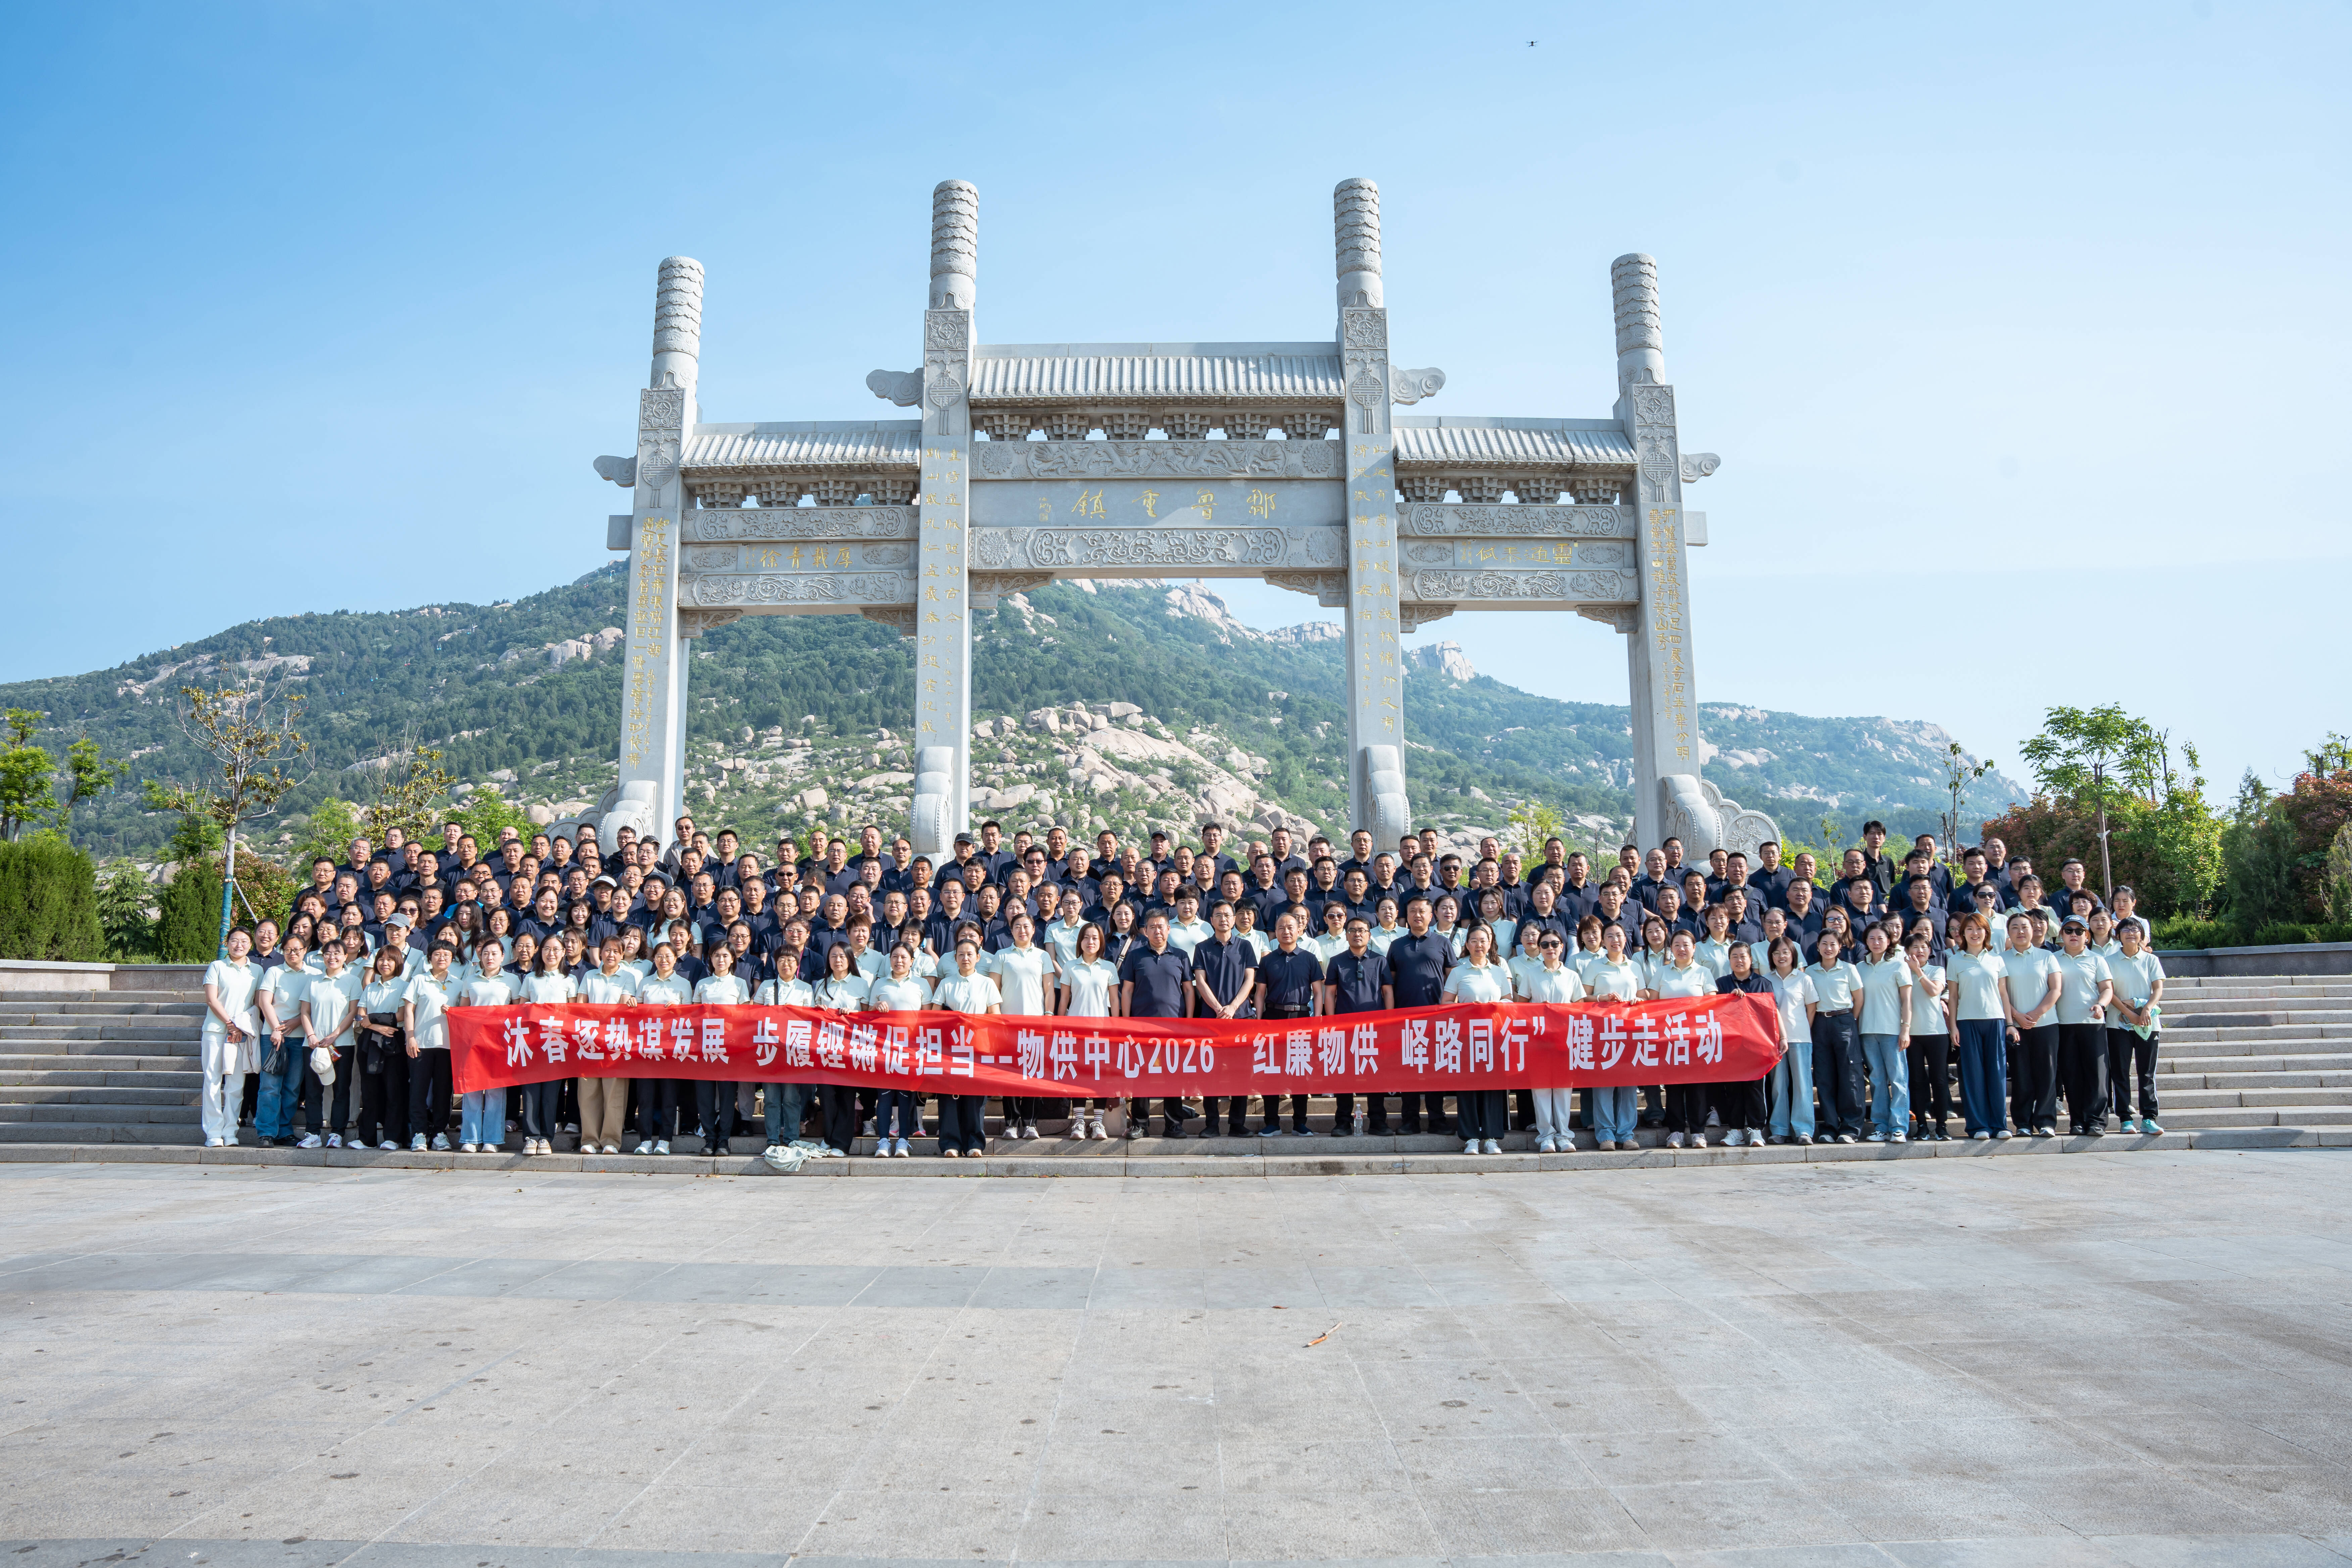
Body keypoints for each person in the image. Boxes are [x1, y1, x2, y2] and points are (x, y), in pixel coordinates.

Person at [1118, 910, 1196, 1138]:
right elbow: (1127, 991)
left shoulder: (1181, 956)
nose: (1157, 931)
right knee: (1142, 1076)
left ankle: (1174, 1125)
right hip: (1142, 1027)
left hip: (1174, 1027)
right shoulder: (1136, 956)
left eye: (1161, 926)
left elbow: (1189, 991)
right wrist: (1127, 1022)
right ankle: (1140, 1125)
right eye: (1152, 927)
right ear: (1145, 931)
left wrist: (1189, 1022)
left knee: (1173, 1076)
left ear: (1169, 929)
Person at [1643, 928, 1718, 1148]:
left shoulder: (1703, 973)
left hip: (1697, 1040)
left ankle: (1698, 1133)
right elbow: (1653, 1006)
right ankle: (1675, 1132)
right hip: (1670, 1040)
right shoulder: (1662, 973)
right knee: (1674, 1088)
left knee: (1697, 1089)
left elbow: (1713, 1005)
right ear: (1671, 949)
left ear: (1694, 948)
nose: (1681, 949)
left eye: (1686, 945)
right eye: (1677, 945)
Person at [1442, 924, 1513, 1154]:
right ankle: (1471, 1137)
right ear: (1467, 945)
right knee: (1468, 1088)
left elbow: (1509, 1002)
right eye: (1474, 941)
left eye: (1483, 941)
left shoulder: (1499, 971)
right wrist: (1465, 1009)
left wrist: (1496, 1006)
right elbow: (1446, 1003)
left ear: (1490, 944)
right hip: (1466, 1039)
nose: (1479, 945)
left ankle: (1491, 1137)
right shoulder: (1458, 972)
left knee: (1493, 1088)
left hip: (1494, 1038)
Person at [1190, 901, 1259, 1137]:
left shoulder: (1245, 946)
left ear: (1235, 919)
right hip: (1212, 1020)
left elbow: (1250, 980)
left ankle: (1237, 1124)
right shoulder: (1202, 948)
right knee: (1211, 1072)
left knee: (1241, 1072)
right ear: (1211, 920)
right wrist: (1220, 1009)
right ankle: (1212, 1124)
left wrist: (1233, 1007)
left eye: (1228, 915)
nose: (1223, 919)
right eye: (1218, 915)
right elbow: (1200, 981)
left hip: (1241, 1018)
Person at [1253, 911, 1323, 1137]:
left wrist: (1317, 1020)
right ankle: (1272, 1123)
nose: (1286, 931)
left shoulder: (1309, 958)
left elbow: (1318, 992)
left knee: (1300, 1072)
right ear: (1275, 932)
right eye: (1281, 928)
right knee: (1271, 1072)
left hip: (1301, 1017)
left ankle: (1300, 1123)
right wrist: (1260, 1022)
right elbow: (1260, 994)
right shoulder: (1267, 960)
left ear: (1300, 930)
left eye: (1291, 927)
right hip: (1273, 1018)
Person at [989, 911, 1059, 1138]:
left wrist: (1049, 1016)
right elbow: (994, 990)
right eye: (1017, 926)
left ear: (1034, 930)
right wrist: (997, 1020)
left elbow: (1049, 990)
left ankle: (1030, 1124)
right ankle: (1011, 1123)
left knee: (1033, 1074)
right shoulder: (1002, 956)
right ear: (1011, 931)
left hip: (1036, 1023)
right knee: (1009, 1075)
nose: (1022, 930)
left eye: (1026, 926)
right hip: (1007, 1025)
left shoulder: (1042, 956)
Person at [931, 939, 1001, 1157]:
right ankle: (951, 1144)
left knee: (975, 1098)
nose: (966, 958)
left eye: (970, 954)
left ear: (978, 957)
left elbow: (996, 1017)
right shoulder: (946, 984)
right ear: (955, 958)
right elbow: (934, 1016)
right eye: (961, 954)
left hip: (978, 1049)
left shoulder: (987, 983)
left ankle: (974, 1144)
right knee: (949, 1097)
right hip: (950, 1049)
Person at [1322, 916, 1391, 1137]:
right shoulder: (1337, 961)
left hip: (1375, 1029)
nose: (1357, 934)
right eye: (1352, 930)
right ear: (1346, 935)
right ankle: (1343, 1122)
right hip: (1345, 1028)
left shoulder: (1380, 961)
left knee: (1375, 1075)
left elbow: (1387, 992)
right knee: (1344, 1076)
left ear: (1369, 936)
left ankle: (1378, 1121)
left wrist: (1389, 1022)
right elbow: (1330, 993)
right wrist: (1332, 1022)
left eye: (1362, 931)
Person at [451, 936, 521, 1153]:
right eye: (486, 954)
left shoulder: (512, 980)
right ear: (480, 956)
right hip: (473, 1043)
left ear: (503, 956)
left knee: (495, 1092)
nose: (490, 957)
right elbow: (463, 1011)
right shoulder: (470, 980)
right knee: (472, 1090)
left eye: (495, 954)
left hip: (500, 1044)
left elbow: (518, 1012)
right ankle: (470, 1138)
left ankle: (493, 1139)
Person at [1517, 928, 1584, 1153]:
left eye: (1554, 944)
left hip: (1565, 1040)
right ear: (1539, 948)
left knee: (1564, 1090)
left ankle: (1564, 1135)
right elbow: (1521, 1007)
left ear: (1562, 947)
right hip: (1539, 1040)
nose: (1550, 949)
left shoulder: (1572, 976)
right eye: (1545, 945)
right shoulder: (1531, 975)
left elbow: (1580, 1008)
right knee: (1542, 1090)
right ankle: (1546, 1136)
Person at [510, 938, 577, 1155]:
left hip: (556, 1043)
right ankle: (531, 1137)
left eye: (556, 949)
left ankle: (546, 1138)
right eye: (547, 949)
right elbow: (520, 1011)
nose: (551, 953)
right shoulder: (531, 979)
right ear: (540, 952)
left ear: (564, 952)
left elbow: (575, 1014)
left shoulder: (570, 980)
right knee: (530, 1093)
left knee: (551, 1095)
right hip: (532, 1043)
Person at [2001, 912, 2065, 1138]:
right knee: (2021, 1076)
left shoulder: (2047, 957)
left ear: (2033, 930)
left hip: (2046, 1025)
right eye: (2015, 927)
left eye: (2025, 927)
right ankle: (2023, 1123)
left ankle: (2046, 1121)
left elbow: (2056, 989)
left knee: (2047, 1075)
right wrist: (2017, 1016)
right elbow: (2001, 993)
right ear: (2009, 933)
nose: (2021, 931)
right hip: (2016, 1027)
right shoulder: (2001, 959)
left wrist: (2037, 1014)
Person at [1056, 922, 1121, 1141]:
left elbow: (1114, 1000)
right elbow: (1064, 1000)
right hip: (1076, 1032)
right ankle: (1079, 1121)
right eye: (1086, 937)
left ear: (1101, 942)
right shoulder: (1070, 967)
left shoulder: (1108, 967)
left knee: (1100, 1076)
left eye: (1095, 938)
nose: (1090, 942)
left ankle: (1098, 1122)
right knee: (1078, 1075)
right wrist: (1060, 1027)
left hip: (1102, 1032)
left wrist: (1116, 1027)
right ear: (1080, 942)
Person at [1583, 922, 1645, 1151]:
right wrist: (1602, 998)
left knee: (1628, 1086)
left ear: (1626, 939)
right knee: (1604, 1085)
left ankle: (1627, 1134)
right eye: (1609, 936)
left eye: (1619, 935)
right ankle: (1606, 1135)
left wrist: (1639, 1000)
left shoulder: (1634, 966)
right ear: (1603, 941)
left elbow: (1644, 995)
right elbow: (1583, 997)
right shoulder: (1594, 966)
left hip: (1630, 1032)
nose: (1615, 940)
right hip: (1602, 1032)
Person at [575, 937, 639, 1155]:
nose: (611, 955)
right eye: (607, 951)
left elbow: (622, 1006)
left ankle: (611, 1140)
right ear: (600, 953)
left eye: (616, 952)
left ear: (622, 955)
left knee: (615, 1092)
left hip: (615, 1041)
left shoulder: (628, 977)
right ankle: (590, 1140)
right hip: (590, 1040)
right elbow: (581, 1005)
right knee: (588, 1092)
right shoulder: (589, 976)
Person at [864, 945, 929, 1156]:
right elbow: (867, 1015)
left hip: (910, 1049)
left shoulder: (921, 984)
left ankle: (903, 1141)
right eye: (895, 957)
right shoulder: (880, 984)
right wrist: (876, 1007)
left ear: (912, 961)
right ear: (889, 960)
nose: (899, 961)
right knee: (884, 1096)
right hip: (884, 1048)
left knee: (905, 1096)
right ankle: (883, 1142)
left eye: (904, 957)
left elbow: (929, 1018)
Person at [2053, 916, 2115, 1137]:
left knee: (2097, 1075)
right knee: (2071, 1074)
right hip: (2063, 1024)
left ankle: (2097, 1121)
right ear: (2062, 935)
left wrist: (2101, 1005)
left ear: (2087, 936)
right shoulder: (2053, 959)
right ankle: (2077, 1121)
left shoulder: (2097, 960)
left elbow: (2107, 989)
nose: (2074, 935)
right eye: (2069, 930)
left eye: (2079, 931)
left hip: (2092, 1024)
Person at [253, 933, 316, 1148]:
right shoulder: (274, 972)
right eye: (288, 950)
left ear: (305, 950)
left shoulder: (315, 974)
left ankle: (284, 1131)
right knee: (270, 1086)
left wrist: (297, 1022)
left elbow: (312, 1007)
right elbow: (265, 1002)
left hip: (300, 1038)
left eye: (297, 949)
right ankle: (266, 1132)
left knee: (292, 1087)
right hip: (272, 1037)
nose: (292, 953)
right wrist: (276, 1029)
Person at [1853, 923, 1914, 1144]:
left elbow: (1907, 1001)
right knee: (1877, 1080)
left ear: (1889, 941)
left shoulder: (1899, 965)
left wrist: (1906, 1028)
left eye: (1881, 938)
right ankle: (1881, 1126)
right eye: (1872, 938)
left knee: (1898, 1080)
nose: (1876, 943)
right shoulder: (1859, 968)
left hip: (1893, 1031)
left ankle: (1899, 1127)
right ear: (1866, 941)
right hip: (1867, 1031)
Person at [199, 930, 261, 1148]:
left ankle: (230, 1132)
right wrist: (229, 1024)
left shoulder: (257, 970)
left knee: (236, 1085)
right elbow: (211, 999)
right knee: (213, 1082)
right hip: (216, 1032)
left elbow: (257, 1003)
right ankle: (213, 1133)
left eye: (244, 941)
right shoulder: (217, 967)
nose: (239, 945)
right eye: (234, 941)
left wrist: (240, 1026)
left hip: (241, 1034)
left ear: (251, 944)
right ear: (227, 944)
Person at [687, 942, 750, 1157]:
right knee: (704, 1096)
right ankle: (709, 1139)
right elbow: (694, 1015)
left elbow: (745, 1017)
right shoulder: (702, 984)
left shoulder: (739, 984)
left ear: (732, 959)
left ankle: (724, 1140)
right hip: (703, 1047)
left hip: (728, 1048)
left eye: (725, 956)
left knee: (727, 1096)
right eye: (716, 956)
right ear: (710, 959)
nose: (720, 960)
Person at [632, 942, 694, 1155]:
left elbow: (692, 1017)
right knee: (645, 1097)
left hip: (672, 1049)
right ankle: (645, 1140)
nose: (664, 960)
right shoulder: (645, 983)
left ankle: (665, 1140)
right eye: (659, 956)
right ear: (654, 959)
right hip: (647, 1048)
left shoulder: (684, 984)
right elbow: (636, 1014)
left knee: (669, 1097)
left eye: (668, 956)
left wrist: (679, 1011)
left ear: (676, 959)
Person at [2106, 918, 2165, 1135]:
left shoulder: (2151, 960)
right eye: (2126, 930)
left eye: (2135, 929)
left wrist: (2147, 1008)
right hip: (2118, 1025)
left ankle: (2149, 1118)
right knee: (2120, 1072)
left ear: (2142, 935)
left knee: (2147, 1073)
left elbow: (2158, 989)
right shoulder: (2109, 961)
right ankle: (2125, 1119)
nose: (2131, 933)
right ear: (2118, 935)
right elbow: (2109, 992)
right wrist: (2129, 1013)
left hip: (2148, 1024)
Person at [1806, 929, 1865, 1145]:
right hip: (1820, 1023)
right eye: (1824, 944)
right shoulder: (1810, 972)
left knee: (1850, 1075)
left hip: (1844, 1021)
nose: (1828, 948)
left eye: (1833, 944)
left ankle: (1851, 1128)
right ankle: (1830, 1127)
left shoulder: (1849, 969)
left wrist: (1850, 1021)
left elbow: (1859, 999)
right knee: (1824, 1077)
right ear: (1818, 947)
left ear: (1840, 948)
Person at [397, 939, 457, 1151]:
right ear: (429, 958)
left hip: (448, 1046)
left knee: (444, 1092)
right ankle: (419, 1134)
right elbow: (409, 1010)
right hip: (421, 1044)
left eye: (447, 955)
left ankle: (440, 1133)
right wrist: (410, 1037)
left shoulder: (459, 983)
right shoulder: (419, 980)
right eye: (437, 955)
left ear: (452, 959)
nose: (442, 958)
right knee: (418, 1091)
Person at [1713, 940, 1773, 1147]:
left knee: (1755, 1088)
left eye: (1743, 956)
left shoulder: (1763, 984)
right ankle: (1736, 1130)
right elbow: (1715, 1012)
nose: (1739, 960)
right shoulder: (1721, 984)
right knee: (1733, 1089)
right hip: (1731, 1045)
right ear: (1729, 961)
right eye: (1735, 957)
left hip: (1757, 1044)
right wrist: (1730, 999)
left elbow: (1770, 1014)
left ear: (1751, 960)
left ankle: (1756, 1130)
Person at [1763, 936, 1818, 1145]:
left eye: (1786, 952)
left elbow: (1811, 1009)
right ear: (1771, 957)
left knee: (1803, 1085)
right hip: (1774, 1040)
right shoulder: (1766, 980)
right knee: (1778, 1085)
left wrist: (1803, 1030)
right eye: (1776, 953)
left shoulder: (1804, 979)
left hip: (1801, 1038)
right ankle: (1780, 1129)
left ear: (1793, 955)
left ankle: (1804, 1130)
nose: (1781, 957)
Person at [1903, 934, 1953, 1141]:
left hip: (1936, 1033)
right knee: (1916, 1081)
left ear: (1930, 951)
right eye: (1915, 947)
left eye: (1924, 947)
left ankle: (1942, 1126)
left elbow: (1934, 991)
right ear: (1907, 952)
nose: (1920, 951)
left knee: (1939, 1080)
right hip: (1912, 1035)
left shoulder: (1937, 970)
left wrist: (1918, 972)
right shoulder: (1902, 972)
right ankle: (1922, 1126)